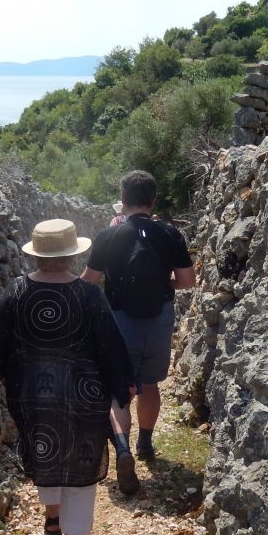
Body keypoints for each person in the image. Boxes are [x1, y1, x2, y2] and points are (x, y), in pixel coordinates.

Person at [0, 218, 134, 535]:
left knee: (44, 448)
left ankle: (53, 515)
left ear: (36, 255)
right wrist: (120, 386)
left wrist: (6, 372)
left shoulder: (17, 290)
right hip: (82, 390)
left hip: (31, 389)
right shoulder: (88, 294)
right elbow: (111, 345)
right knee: (81, 458)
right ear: (73, 256)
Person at [82, 171, 195, 490]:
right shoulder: (170, 234)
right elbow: (188, 281)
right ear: (153, 200)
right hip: (159, 317)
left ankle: (122, 450)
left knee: (120, 390)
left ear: (123, 198)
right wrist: (165, 284)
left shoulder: (108, 235)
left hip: (119, 320)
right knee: (150, 383)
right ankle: (145, 443)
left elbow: (89, 281)